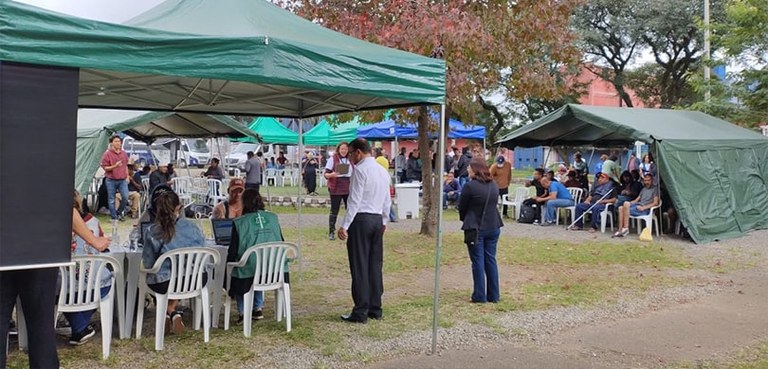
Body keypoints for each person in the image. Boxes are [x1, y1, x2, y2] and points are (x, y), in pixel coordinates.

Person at [337, 138, 391, 323]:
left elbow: (354, 200)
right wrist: (384, 220)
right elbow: (387, 199)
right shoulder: (383, 171)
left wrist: (344, 225)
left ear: (358, 152)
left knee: (359, 265)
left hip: (361, 219)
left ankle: (360, 310)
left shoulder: (360, 170)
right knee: (375, 265)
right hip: (376, 218)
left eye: (351, 153)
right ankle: (375, 307)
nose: (350, 157)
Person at [142, 188, 206, 334]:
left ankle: (168, 311)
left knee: (156, 278)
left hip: (165, 282)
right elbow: (203, 249)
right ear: (179, 207)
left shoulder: (153, 231)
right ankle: (172, 312)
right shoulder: (193, 227)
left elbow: (148, 263)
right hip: (195, 279)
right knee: (179, 279)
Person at [228, 189, 284, 322]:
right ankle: (257, 308)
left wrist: (228, 263)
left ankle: (243, 311)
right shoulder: (273, 217)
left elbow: (233, 252)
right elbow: (281, 240)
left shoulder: (239, 222)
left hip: (250, 270)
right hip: (274, 268)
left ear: (244, 203)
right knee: (259, 264)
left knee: (240, 267)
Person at [66, 190, 113, 345]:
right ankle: (79, 327)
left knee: (61, 292)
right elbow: (102, 247)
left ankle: (79, 326)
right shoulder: (92, 222)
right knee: (108, 280)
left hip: (63, 286)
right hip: (94, 283)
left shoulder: (52, 226)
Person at [458, 158, 503, 303]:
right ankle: (494, 295)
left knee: (477, 262)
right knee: (490, 260)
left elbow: (462, 207)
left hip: (476, 227)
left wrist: (466, 218)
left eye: (470, 168)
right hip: (493, 225)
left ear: (475, 170)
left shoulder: (470, 186)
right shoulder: (493, 185)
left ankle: (479, 295)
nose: (468, 170)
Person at [614, 173, 660, 238]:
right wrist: (630, 203)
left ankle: (626, 228)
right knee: (621, 207)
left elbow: (655, 203)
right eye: (645, 180)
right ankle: (620, 230)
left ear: (652, 180)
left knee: (624, 206)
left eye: (648, 180)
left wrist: (644, 208)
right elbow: (636, 200)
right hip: (638, 206)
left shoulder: (655, 189)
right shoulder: (643, 189)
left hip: (645, 209)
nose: (647, 182)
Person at [325, 142, 353, 241]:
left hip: (348, 186)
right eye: (342, 149)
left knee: (350, 209)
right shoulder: (333, 159)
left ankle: (349, 229)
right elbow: (326, 174)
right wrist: (333, 174)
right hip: (336, 186)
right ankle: (331, 231)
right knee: (334, 210)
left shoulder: (351, 159)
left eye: (345, 149)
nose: (344, 151)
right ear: (338, 149)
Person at [100, 135, 130, 221]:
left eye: (119, 141)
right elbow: (105, 168)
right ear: (112, 143)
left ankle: (118, 212)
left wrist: (127, 176)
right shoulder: (107, 154)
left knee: (125, 197)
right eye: (116, 141)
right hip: (111, 179)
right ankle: (114, 217)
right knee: (111, 199)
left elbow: (125, 166)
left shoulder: (123, 153)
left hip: (122, 179)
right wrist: (115, 166)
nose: (118, 143)